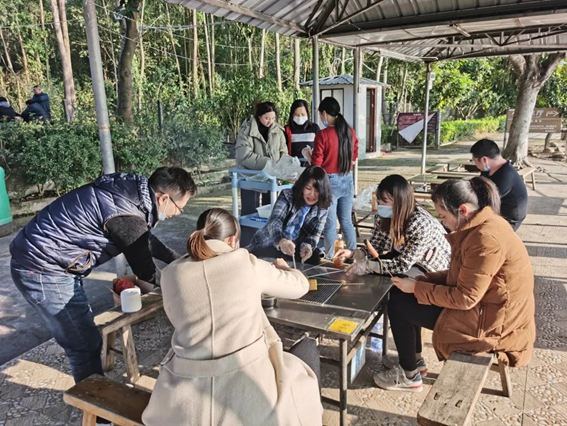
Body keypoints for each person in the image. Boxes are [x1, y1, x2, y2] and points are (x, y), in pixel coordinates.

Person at [10, 167, 196, 390]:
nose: (178, 213)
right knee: (83, 343)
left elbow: (142, 239)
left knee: (85, 336)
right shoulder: (125, 214)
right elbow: (146, 270)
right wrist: (183, 286)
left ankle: (92, 387)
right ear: (163, 198)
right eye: (179, 208)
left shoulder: (129, 195)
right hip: (43, 269)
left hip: (53, 260)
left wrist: (177, 259)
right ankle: (94, 404)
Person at [143, 208, 323, 426]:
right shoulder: (245, 263)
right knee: (307, 350)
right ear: (231, 240)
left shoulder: (171, 273)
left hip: (181, 403)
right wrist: (286, 269)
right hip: (247, 397)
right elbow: (300, 286)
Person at [372, 177, 535, 393]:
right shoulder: (482, 226)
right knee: (405, 297)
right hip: (487, 308)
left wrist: (417, 288)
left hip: (492, 324)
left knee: (399, 306)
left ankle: (409, 376)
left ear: (463, 211)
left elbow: (465, 298)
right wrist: (422, 282)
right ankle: (415, 362)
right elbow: (463, 276)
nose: (443, 223)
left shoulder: (485, 238)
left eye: (443, 216)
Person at [335, 174, 451, 275]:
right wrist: (352, 253)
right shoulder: (383, 217)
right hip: (401, 257)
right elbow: (375, 247)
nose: (381, 206)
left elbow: (403, 265)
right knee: (372, 270)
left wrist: (368, 266)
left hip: (428, 267)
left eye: (385, 201)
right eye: (379, 201)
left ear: (400, 201)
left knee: (393, 283)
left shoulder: (420, 224)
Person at [247, 166, 331, 265]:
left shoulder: (323, 208)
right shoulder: (287, 195)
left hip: (295, 247)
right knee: (273, 263)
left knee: (314, 258)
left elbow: (315, 234)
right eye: (308, 188)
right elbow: (275, 222)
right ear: (302, 186)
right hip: (271, 243)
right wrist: (282, 241)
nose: (312, 194)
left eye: (317, 190)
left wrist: (307, 246)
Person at [310, 97, 358, 258]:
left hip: (330, 182)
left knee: (330, 225)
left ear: (324, 113)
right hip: (347, 179)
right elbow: (355, 153)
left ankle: (331, 258)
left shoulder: (322, 135)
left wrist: (308, 155)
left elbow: (317, 165)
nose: (321, 118)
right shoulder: (350, 131)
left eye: (320, 115)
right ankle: (353, 255)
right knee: (346, 221)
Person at [236, 102, 288, 215]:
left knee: (270, 211)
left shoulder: (278, 130)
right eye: (267, 118)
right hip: (250, 176)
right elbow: (244, 155)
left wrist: (281, 164)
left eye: (273, 118)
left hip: (271, 176)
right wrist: (269, 163)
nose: (270, 121)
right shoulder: (247, 130)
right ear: (259, 116)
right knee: (249, 213)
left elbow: (283, 150)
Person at [470, 139, 528, 231]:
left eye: (474, 161)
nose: (475, 164)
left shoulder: (505, 176)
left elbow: (484, 202)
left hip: (508, 219)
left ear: (484, 159)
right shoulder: (488, 169)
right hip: (495, 210)